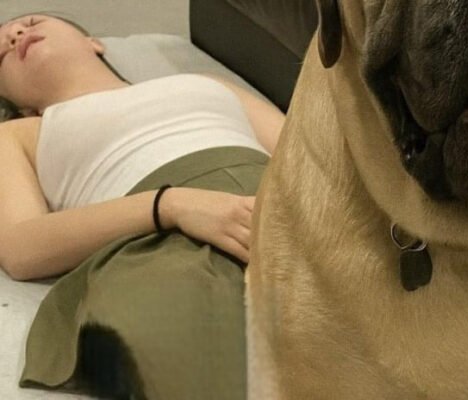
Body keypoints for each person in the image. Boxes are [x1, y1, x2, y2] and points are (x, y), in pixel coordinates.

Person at [0, 13, 285, 400]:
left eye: (31, 21)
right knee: (164, 332)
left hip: (278, 201)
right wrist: (172, 204)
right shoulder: (18, 134)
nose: (16, 34)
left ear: (94, 42)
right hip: (158, 239)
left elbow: (306, 150)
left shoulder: (204, 83)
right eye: (0, 54)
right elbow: (21, 247)